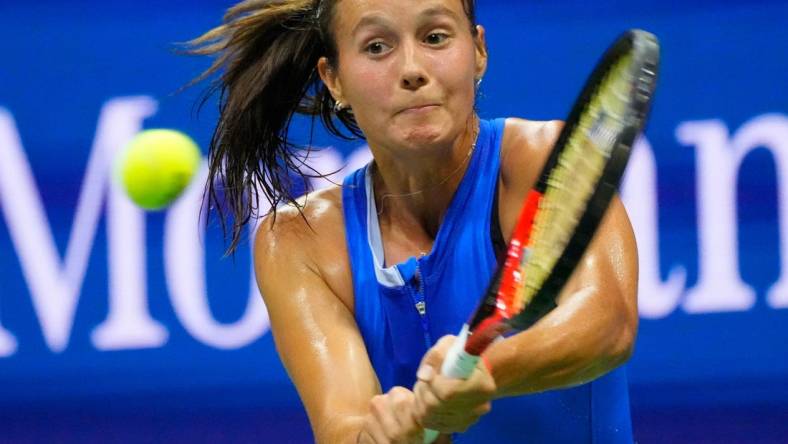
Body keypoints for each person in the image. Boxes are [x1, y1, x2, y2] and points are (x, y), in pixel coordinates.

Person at [190, 0, 638, 442]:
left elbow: (606, 323)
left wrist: (479, 369)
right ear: (334, 79)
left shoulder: (545, 162)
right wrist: (396, 434)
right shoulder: (298, 240)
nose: (412, 69)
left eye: (435, 37)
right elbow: (344, 427)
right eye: (377, 46)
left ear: (478, 51)